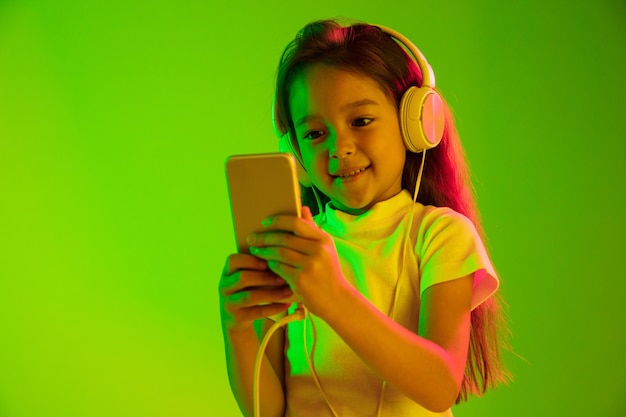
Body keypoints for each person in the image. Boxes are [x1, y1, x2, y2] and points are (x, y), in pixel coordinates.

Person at [219, 18, 509, 417]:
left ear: (416, 123)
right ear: (295, 152)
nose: (340, 148)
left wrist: (333, 296)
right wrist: (236, 328)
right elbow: (267, 411)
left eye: (360, 121)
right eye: (316, 134)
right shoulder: (298, 246)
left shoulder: (440, 235)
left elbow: (440, 384)